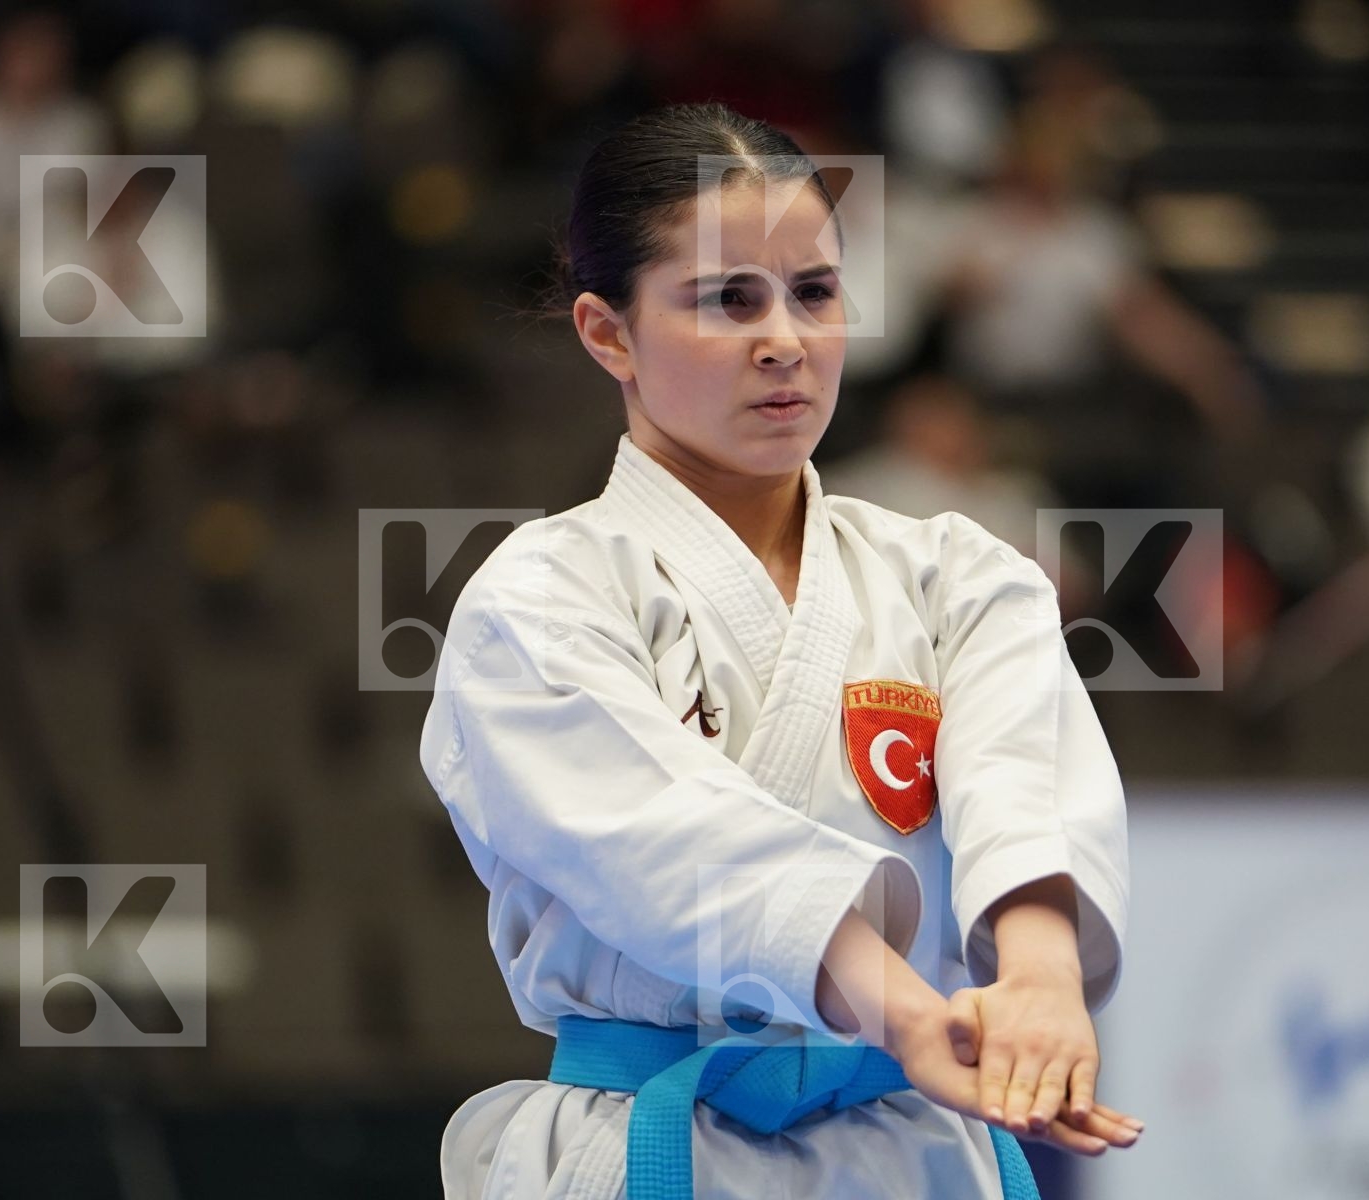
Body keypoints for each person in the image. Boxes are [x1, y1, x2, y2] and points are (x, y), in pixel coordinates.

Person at [418, 102, 1139, 1199]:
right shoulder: (541, 598)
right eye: (728, 299)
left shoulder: (960, 575)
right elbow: (667, 849)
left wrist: (1038, 983)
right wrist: (904, 1014)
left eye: (814, 292)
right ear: (608, 333)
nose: (785, 341)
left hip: (911, 1149)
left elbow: (1021, 788)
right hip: (649, 1146)